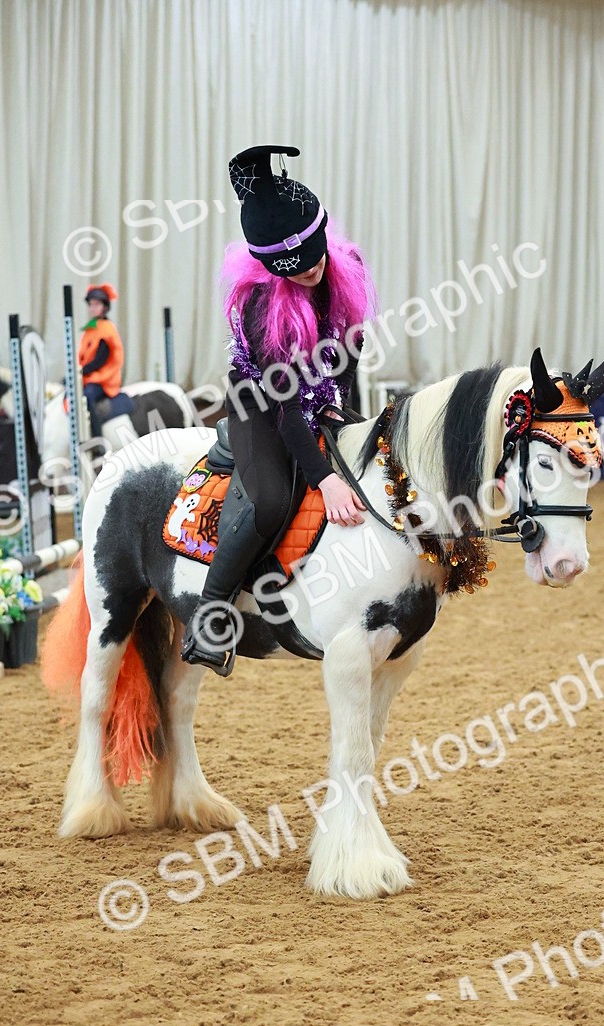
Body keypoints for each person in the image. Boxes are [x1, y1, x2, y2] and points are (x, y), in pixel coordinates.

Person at [181, 144, 377, 675]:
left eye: (316, 255)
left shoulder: (345, 267)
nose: (312, 269)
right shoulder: (261, 305)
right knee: (269, 500)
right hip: (263, 406)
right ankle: (209, 620)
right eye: (296, 266)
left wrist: (340, 407)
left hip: (316, 396)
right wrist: (324, 480)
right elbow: (285, 408)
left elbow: (350, 349)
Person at [77, 284, 132, 438]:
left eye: (96, 304)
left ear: (105, 307)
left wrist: (82, 371)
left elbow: (100, 359)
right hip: (89, 376)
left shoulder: (106, 329)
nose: (93, 308)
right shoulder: (92, 327)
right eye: (91, 305)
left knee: (87, 396)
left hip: (103, 379)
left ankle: (97, 438)